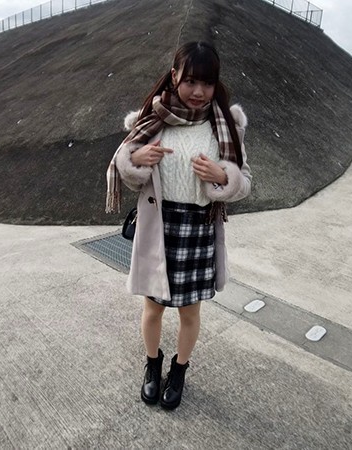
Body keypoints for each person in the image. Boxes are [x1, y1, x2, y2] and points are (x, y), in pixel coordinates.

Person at [106, 41, 252, 410]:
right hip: (159, 226)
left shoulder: (227, 126)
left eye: (207, 83)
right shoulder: (151, 120)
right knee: (152, 308)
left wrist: (223, 176)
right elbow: (128, 170)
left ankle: (179, 370)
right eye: (190, 81)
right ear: (175, 77)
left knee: (190, 312)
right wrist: (135, 159)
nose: (198, 91)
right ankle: (152, 364)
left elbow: (245, 182)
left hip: (198, 230)